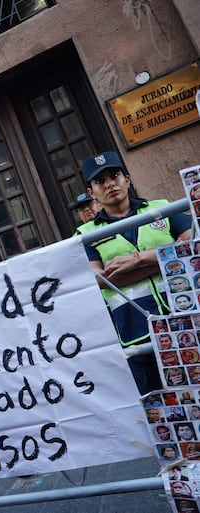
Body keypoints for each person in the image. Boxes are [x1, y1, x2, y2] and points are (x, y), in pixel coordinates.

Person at [76, 151, 192, 394]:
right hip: (136, 336)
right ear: (91, 193)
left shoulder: (160, 208)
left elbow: (192, 246)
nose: (109, 184)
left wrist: (137, 259)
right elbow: (98, 280)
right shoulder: (85, 234)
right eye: (100, 181)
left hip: (185, 317)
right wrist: (166, 259)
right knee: (161, 410)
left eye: (115, 175)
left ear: (127, 179)